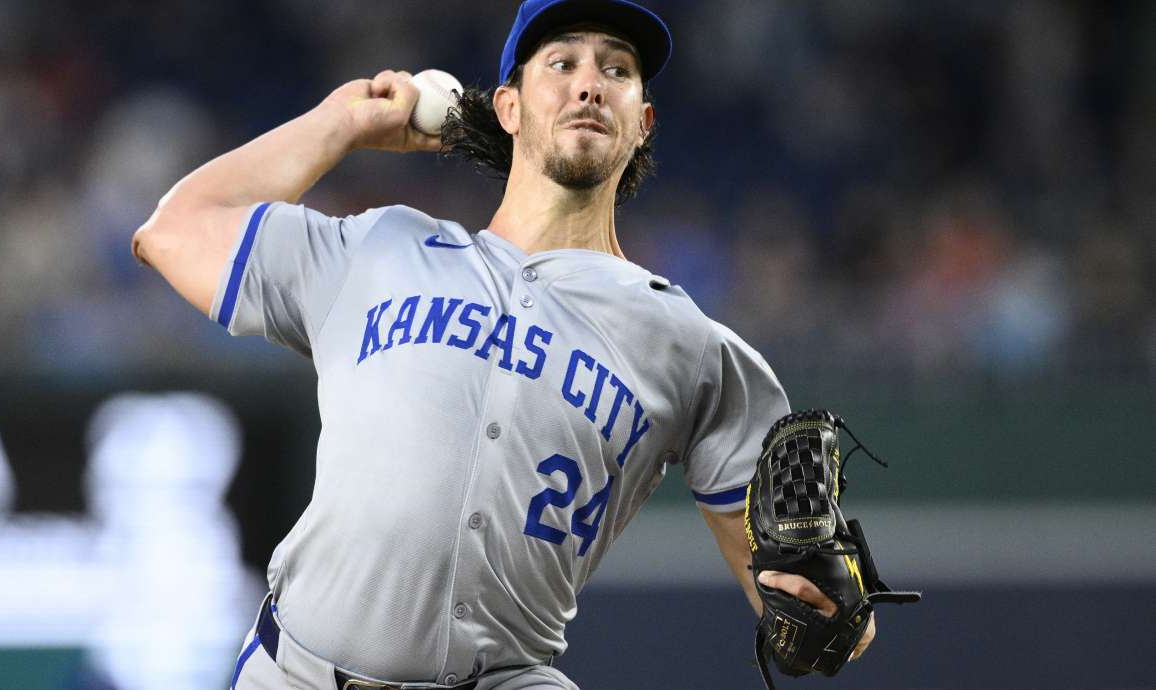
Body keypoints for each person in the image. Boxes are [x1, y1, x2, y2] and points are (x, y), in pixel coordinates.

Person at [132, 1, 876, 688]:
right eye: (563, 63)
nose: (590, 84)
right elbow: (173, 231)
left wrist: (829, 607)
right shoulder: (383, 247)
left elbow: (816, 610)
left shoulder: (689, 346)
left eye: (616, 69)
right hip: (295, 674)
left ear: (643, 120)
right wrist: (340, 125)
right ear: (509, 107)